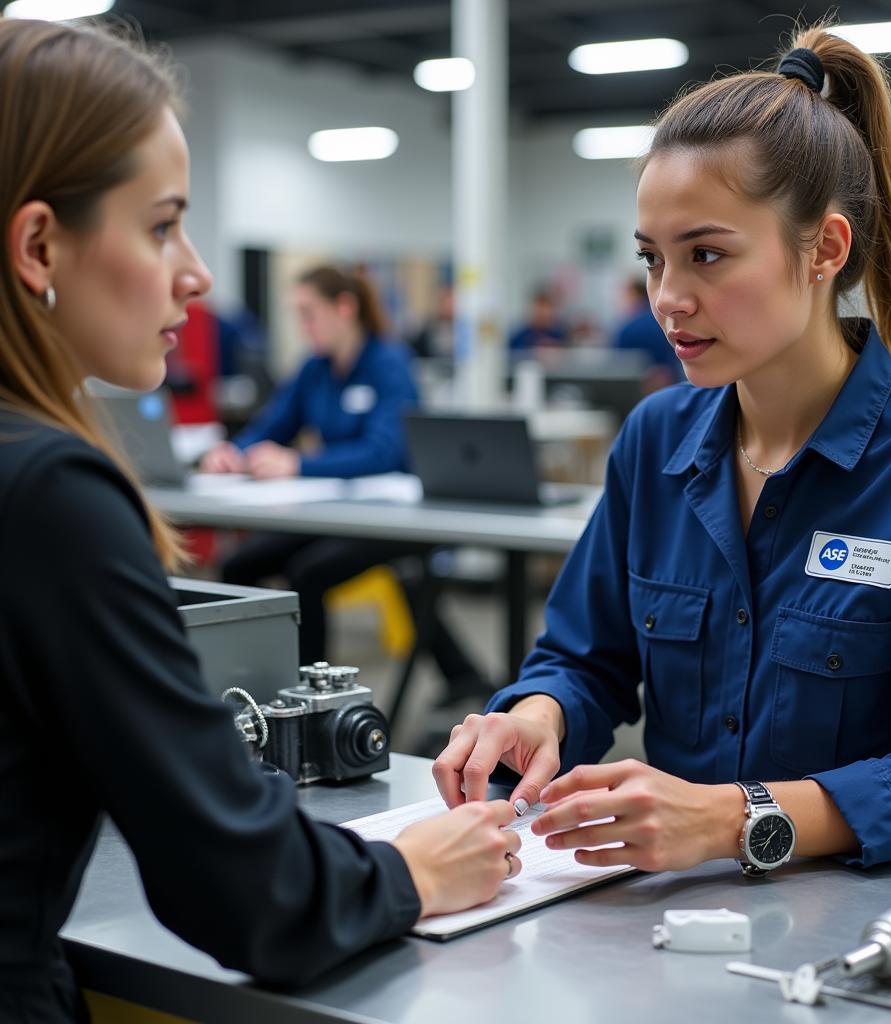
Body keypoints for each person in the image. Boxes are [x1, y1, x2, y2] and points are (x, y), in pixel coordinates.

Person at [0, 20, 521, 1022]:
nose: (193, 274)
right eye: (160, 226)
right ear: (37, 246)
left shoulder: (377, 366)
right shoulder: (52, 495)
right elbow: (243, 892)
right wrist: (405, 871)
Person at [433, 26, 891, 876]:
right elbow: (582, 657)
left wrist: (736, 818)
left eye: (707, 255)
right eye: (653, 259)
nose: (669, 299)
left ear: (823, 250)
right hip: (676, 924)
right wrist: (540, 713)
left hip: (875, 938)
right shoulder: (655, 442)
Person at [201, 268, 490, 704]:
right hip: (332, 511)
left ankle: (311, 702)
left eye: (309, 313)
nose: (304, 326)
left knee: (308, 574)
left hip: (392, 518)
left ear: (345, 308)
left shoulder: (388, 363)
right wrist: (232, 451)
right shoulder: (314, 369)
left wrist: (298, 462)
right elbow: (271, 426)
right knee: (240, 565)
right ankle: (239, 687)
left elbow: (385, 452)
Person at [613, 278, 684, 390]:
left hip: (635, 389)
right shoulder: (668, 323)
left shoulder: (628, 328)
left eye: (625, 295)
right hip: (673, 383)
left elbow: (618, 366)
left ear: (634, 295)